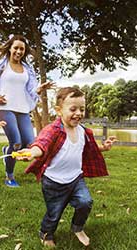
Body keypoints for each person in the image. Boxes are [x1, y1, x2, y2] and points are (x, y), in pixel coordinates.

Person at [17, 87, 117, 248]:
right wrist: (32, 152)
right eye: (73, 109)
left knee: (85, 202)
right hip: (53, 182)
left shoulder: (83, 131)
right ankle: (46, 234)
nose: (78, 113)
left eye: (82, 109)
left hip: (76, 178)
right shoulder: (53, 130)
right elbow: (42, 143)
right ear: (59, 111)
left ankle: (77, 227)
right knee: (54, 213)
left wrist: (103, 147)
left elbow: (89, 148)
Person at [0, 34, 53, 187]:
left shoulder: (27, 69)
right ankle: (9, 176)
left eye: (22, 49)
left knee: (29, 142)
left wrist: (40, 89)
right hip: (5, 107)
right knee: (16, 142)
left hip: (22, 108)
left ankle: (6, 151)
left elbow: (30, 90)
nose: (19, 51)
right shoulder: (0, 65)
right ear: (10, 48)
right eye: (16, 47)